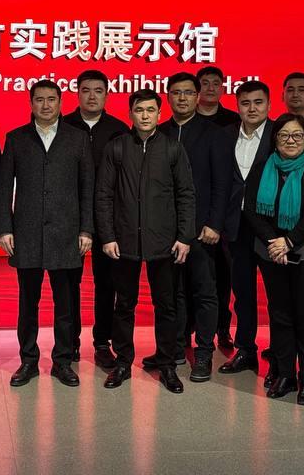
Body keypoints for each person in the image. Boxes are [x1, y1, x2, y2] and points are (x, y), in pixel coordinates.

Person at [95, 89, 195, 394]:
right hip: (123, 242)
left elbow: (186, 195)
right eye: (139, 110)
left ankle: (167, 363)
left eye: (151, 110)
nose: (145, 115)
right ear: (130, 114)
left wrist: (184, 236)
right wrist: (107, 236)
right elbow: (103, 195)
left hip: (164, 243)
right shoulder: (117, 147)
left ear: (160, 114)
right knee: (124, 305)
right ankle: (123, 361)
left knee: (166, 305)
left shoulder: (173, 148)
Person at [0, 80, 94, 388]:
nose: (46, 105)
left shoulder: (77, 139)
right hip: (27, 234)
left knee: (66, 305)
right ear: (31, 103)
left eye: (52, 99)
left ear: (61, 102)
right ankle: (28, 360)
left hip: (67, 234)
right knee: (28, 304)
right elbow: (3, 188)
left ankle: (63, 361)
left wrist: (86, 229)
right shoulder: (16, 138)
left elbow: (87, 188)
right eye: (40, 99)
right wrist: (4, 228)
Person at [248, 114, 304, 405]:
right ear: (275, 139)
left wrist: (289, 241)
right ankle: (285, 374)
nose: (291, 140)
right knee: (280, 316)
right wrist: (275, 243)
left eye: (297, 135)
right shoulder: (263, 168)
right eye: (284, 135)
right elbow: (251, 211)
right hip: (272, 254)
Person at [155, 72, 231, 383]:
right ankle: (175, 348)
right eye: (176, 93)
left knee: (204, 291)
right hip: (166, 229)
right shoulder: (159, 132)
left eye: (188, 92)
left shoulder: (215, 133)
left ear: (197, 96)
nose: (182, 98)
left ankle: (203, 353)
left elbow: (222, 183)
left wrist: (215, 222)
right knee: (174, 292)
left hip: (201, 229)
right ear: (168, 97)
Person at [62, 69, 128, 370]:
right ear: (77, 93)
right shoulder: (63, 126)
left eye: (98, 91)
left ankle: (102, 342)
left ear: (107, 95)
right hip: (69, 217)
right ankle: (70, 341)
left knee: (106, 283)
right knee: (69, 282)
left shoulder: (119, 130)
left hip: (108, 218)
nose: (92, 96)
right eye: (86, 90)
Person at [218, 81, 277, 380]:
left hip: (270, 227)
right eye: (245, 103)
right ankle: (245, 348)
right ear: (237, 105)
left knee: (278, 294)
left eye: (258, 102)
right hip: (235, 226)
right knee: (242, 292)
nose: (252, 108)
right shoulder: (226, 134)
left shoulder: (280, 133)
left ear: (269, 104)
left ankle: (280, 352)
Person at [196, 65, 239, 345]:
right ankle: (193, 329)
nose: (210, 88)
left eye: (216, 83)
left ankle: (223, 327)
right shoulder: (186, 120)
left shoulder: (233, 121)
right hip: (193, 210)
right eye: (205, 83)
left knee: (223, 275)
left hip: (224, 212)